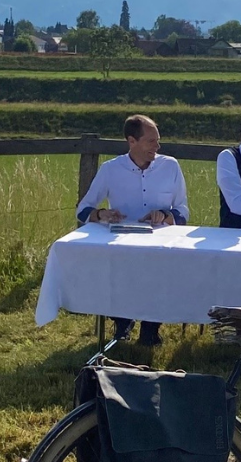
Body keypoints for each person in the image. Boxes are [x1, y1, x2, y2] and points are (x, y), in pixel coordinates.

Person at [75, 114, 189, 346]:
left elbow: (183, 211)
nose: (157, 147)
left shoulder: (170, 166)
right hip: (122, 245)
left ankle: (151, 329)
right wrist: (100, 214)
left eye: (158, 141)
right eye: (150, 141)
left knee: (161, 274)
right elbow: (83, 209)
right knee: (117, 273)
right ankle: (122, 323)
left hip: (159, 246)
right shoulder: (110, 170)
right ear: (131, 141)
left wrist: (166, 216)